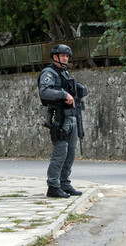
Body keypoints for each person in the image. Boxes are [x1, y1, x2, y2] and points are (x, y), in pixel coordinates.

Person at [38, 43, 87, 198]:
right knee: (60, 152)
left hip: (71, 117)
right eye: (62, 56)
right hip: (59, 118)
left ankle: (64, 183)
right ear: (55, 57)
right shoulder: (49, 73)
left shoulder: (64, 73)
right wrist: (63, 95)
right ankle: (53, 186)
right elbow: (44, 91)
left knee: (70, 153)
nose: (65, 58)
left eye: (67, 56)